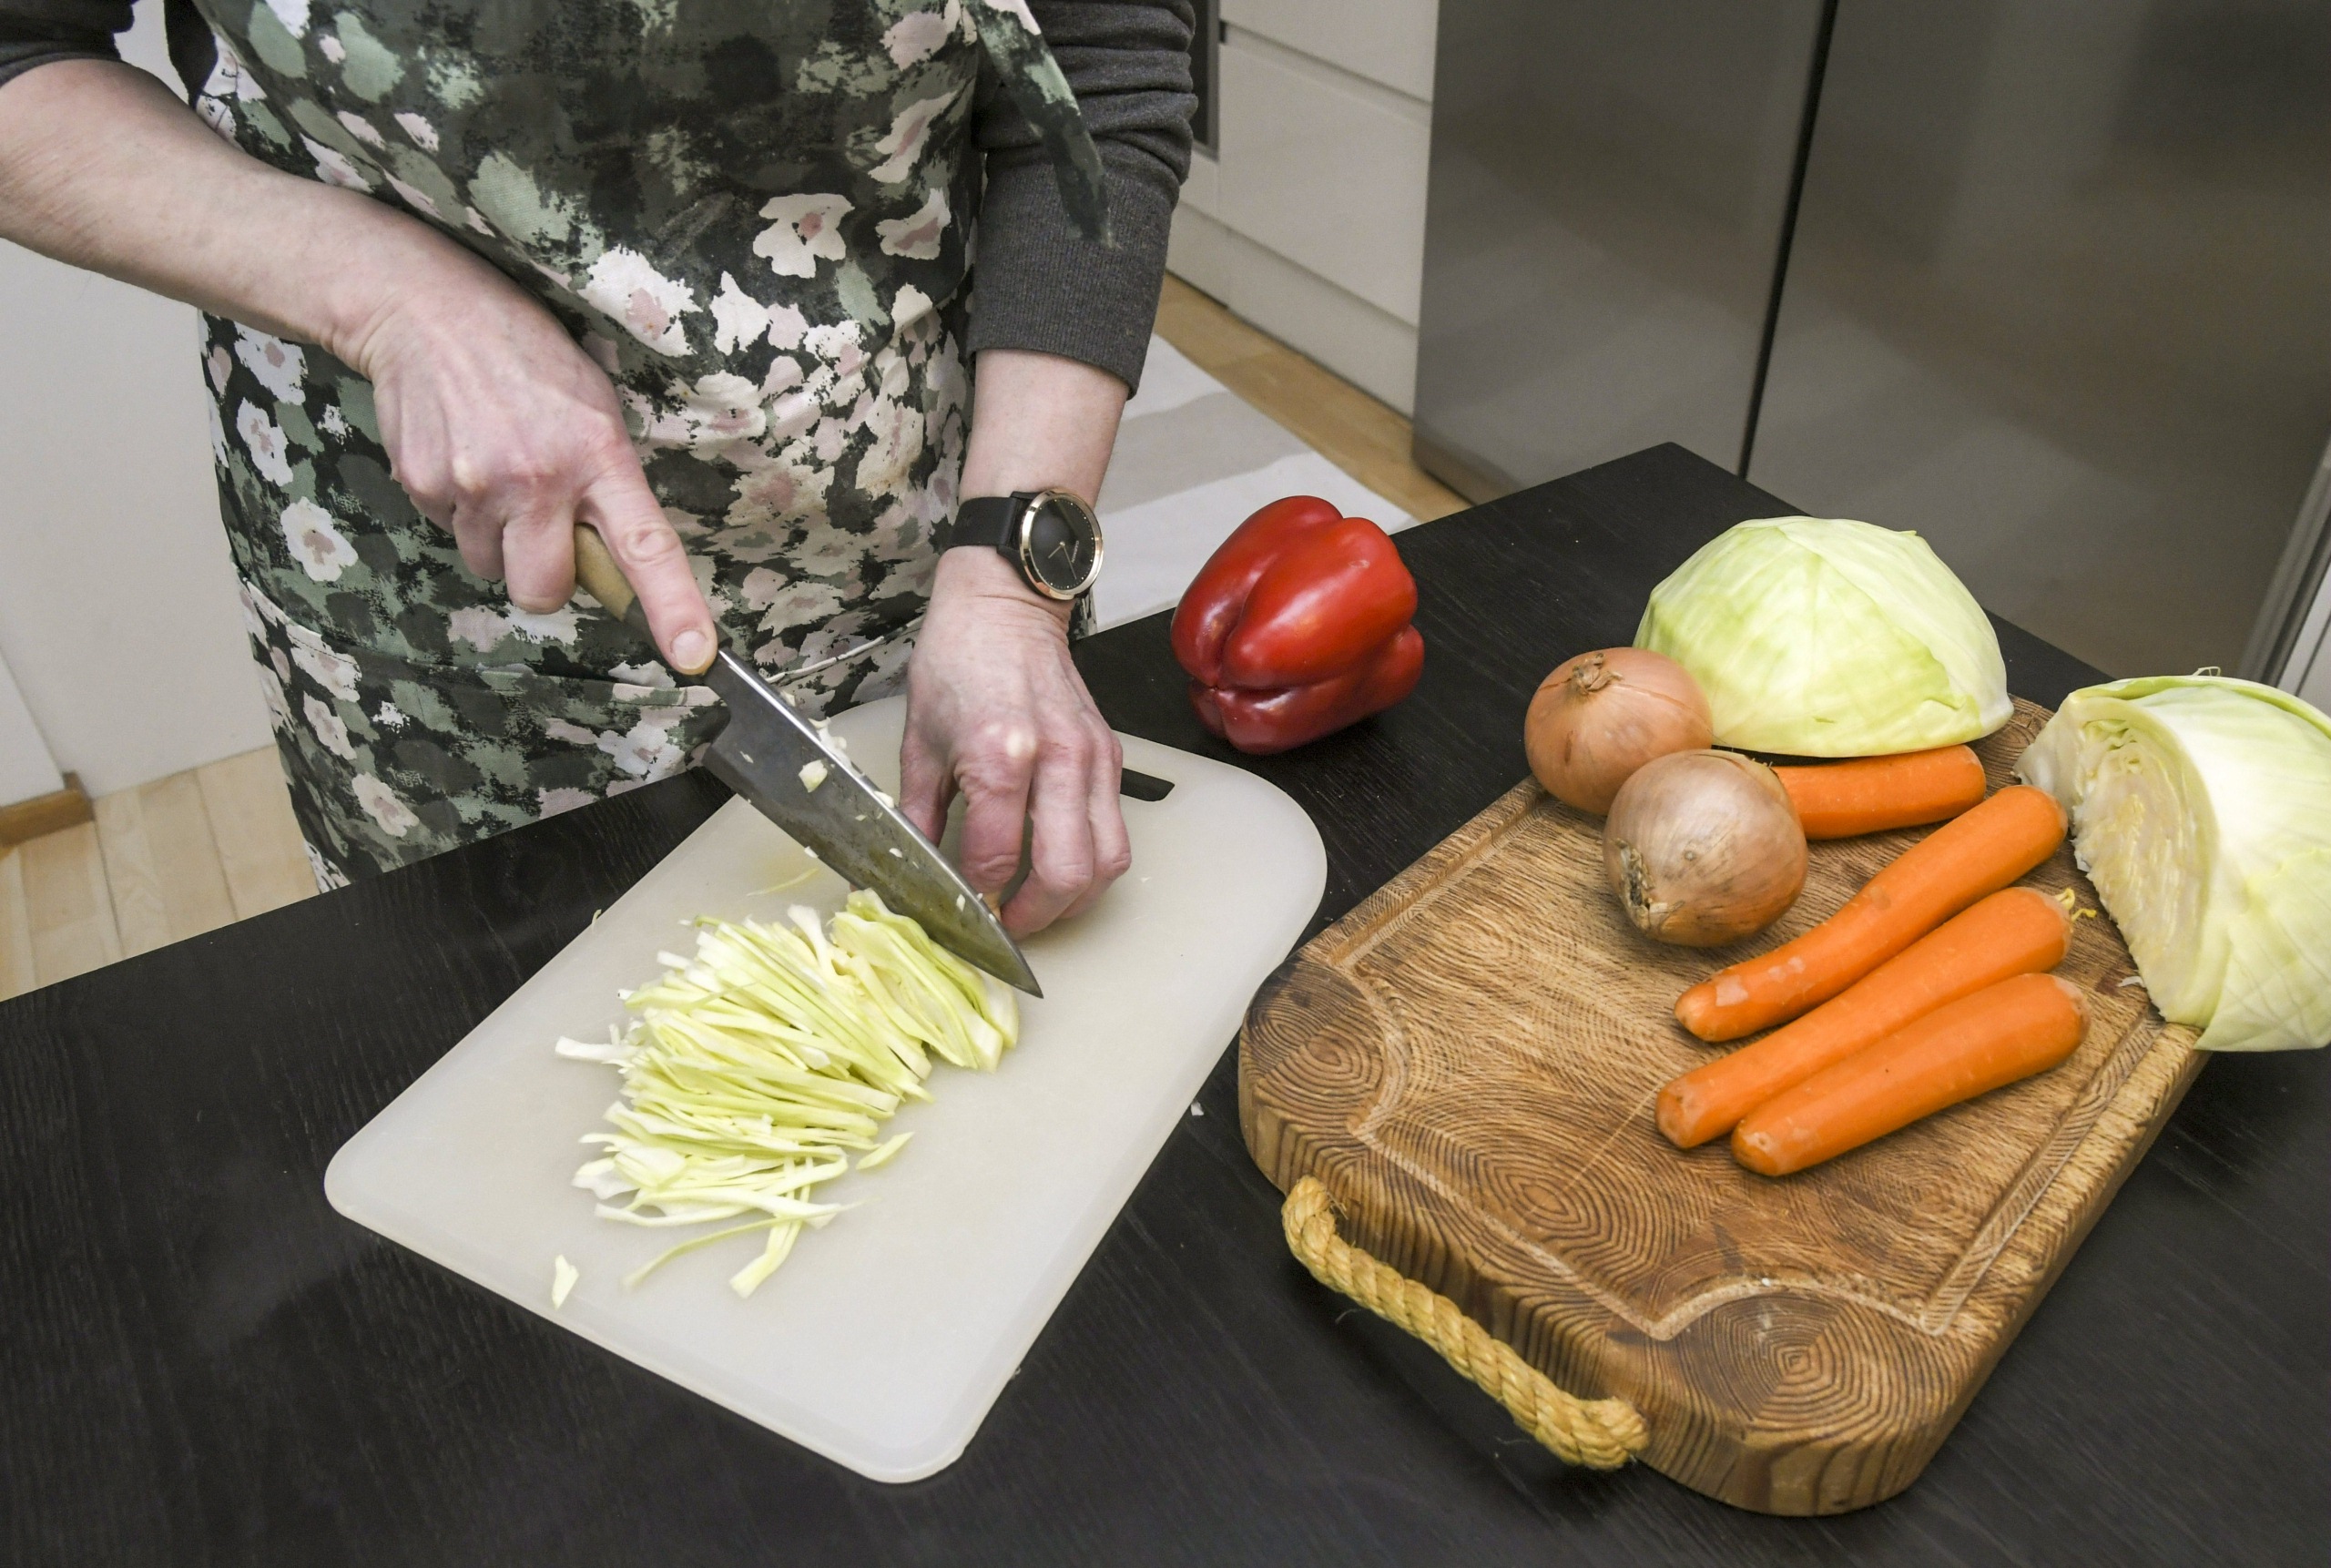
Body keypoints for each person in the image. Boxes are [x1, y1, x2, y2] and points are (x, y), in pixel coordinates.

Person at [0, 0, 1195, 934]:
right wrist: (389, 301)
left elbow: (1099, 66)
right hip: (431, 592)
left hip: (937, 539)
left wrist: (1008, 584)